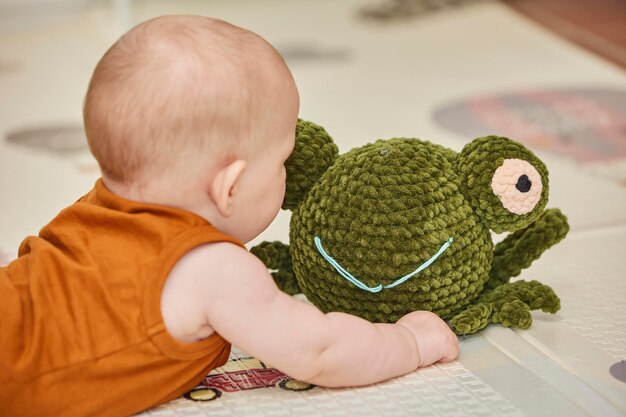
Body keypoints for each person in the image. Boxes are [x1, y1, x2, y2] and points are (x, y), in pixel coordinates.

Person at [0, 15, 458, 416]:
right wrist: (409, 343)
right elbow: (320, 350)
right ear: (230, 186)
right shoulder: (215, 269)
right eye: (282, 159)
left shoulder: (92, 208)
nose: (289, 172)